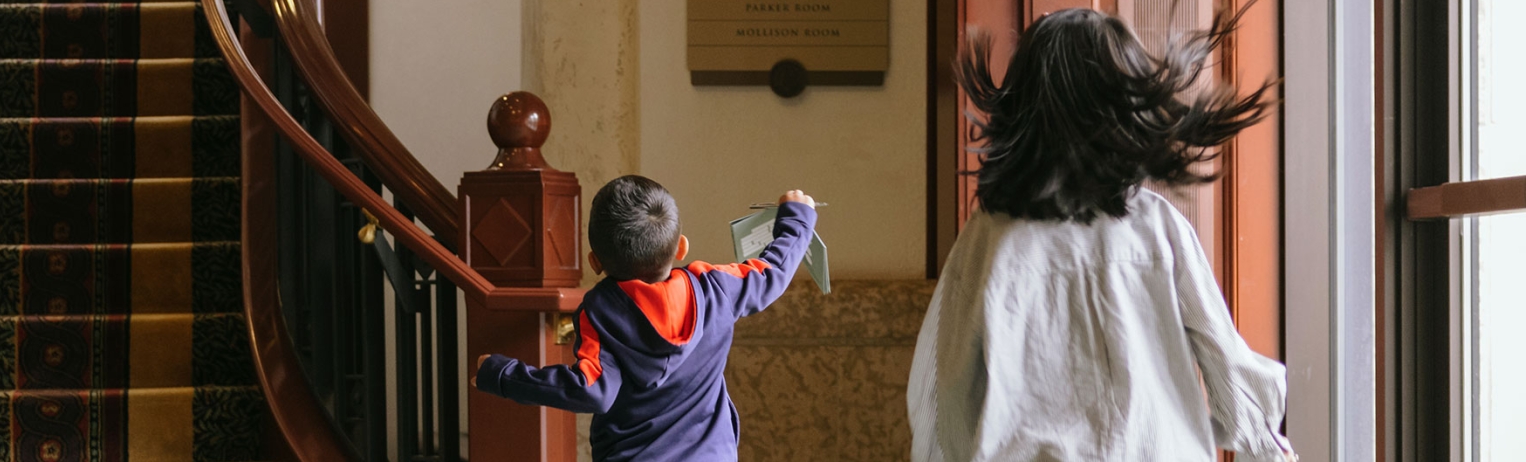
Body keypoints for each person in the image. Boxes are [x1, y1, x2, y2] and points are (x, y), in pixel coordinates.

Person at [909, 6, 1297, 462]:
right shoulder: (1159, 229)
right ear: (1126, 109)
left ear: (1021, 108)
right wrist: (1266, 447)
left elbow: (943, 386)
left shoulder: (988, 238)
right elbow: (1225, 362)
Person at [472, 175, 817, 461]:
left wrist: (503, 375)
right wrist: (797, 219)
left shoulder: (601, 309)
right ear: (681, 247)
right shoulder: (716, 288)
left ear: (595, 262)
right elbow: (772, 272)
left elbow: (592, 389)